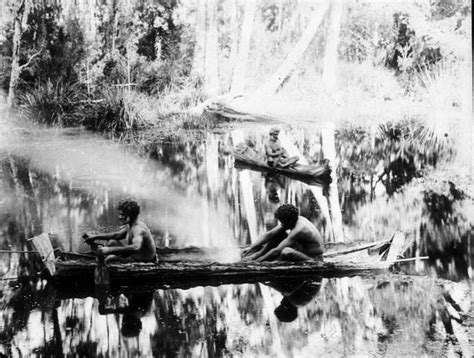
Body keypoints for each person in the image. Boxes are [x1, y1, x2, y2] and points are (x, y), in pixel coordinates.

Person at [83, 198, 156, 264]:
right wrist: (95, 237)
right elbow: (117, 235)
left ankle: (104, 261)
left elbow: (136, 247)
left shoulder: (138, 229)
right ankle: (102, 256)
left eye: (122, 215)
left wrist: (108, 250)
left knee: (110, 258)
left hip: (143, 260)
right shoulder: (131, 225)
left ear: (130, 215)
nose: (120, 217)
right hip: (134, 255)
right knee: (112, 242)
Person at [242, 204, 324, 262]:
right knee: (278, 235)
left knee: (286, 251)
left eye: (282, 222)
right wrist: (251, 248)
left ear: (290, 220)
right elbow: (270, 234)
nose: (281, 224)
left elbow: (277, 251)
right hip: (301, 249)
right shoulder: (294, 219)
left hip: (314, 257)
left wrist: (258, 261)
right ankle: (259, 254)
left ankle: (312, 261)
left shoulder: (299, 229)